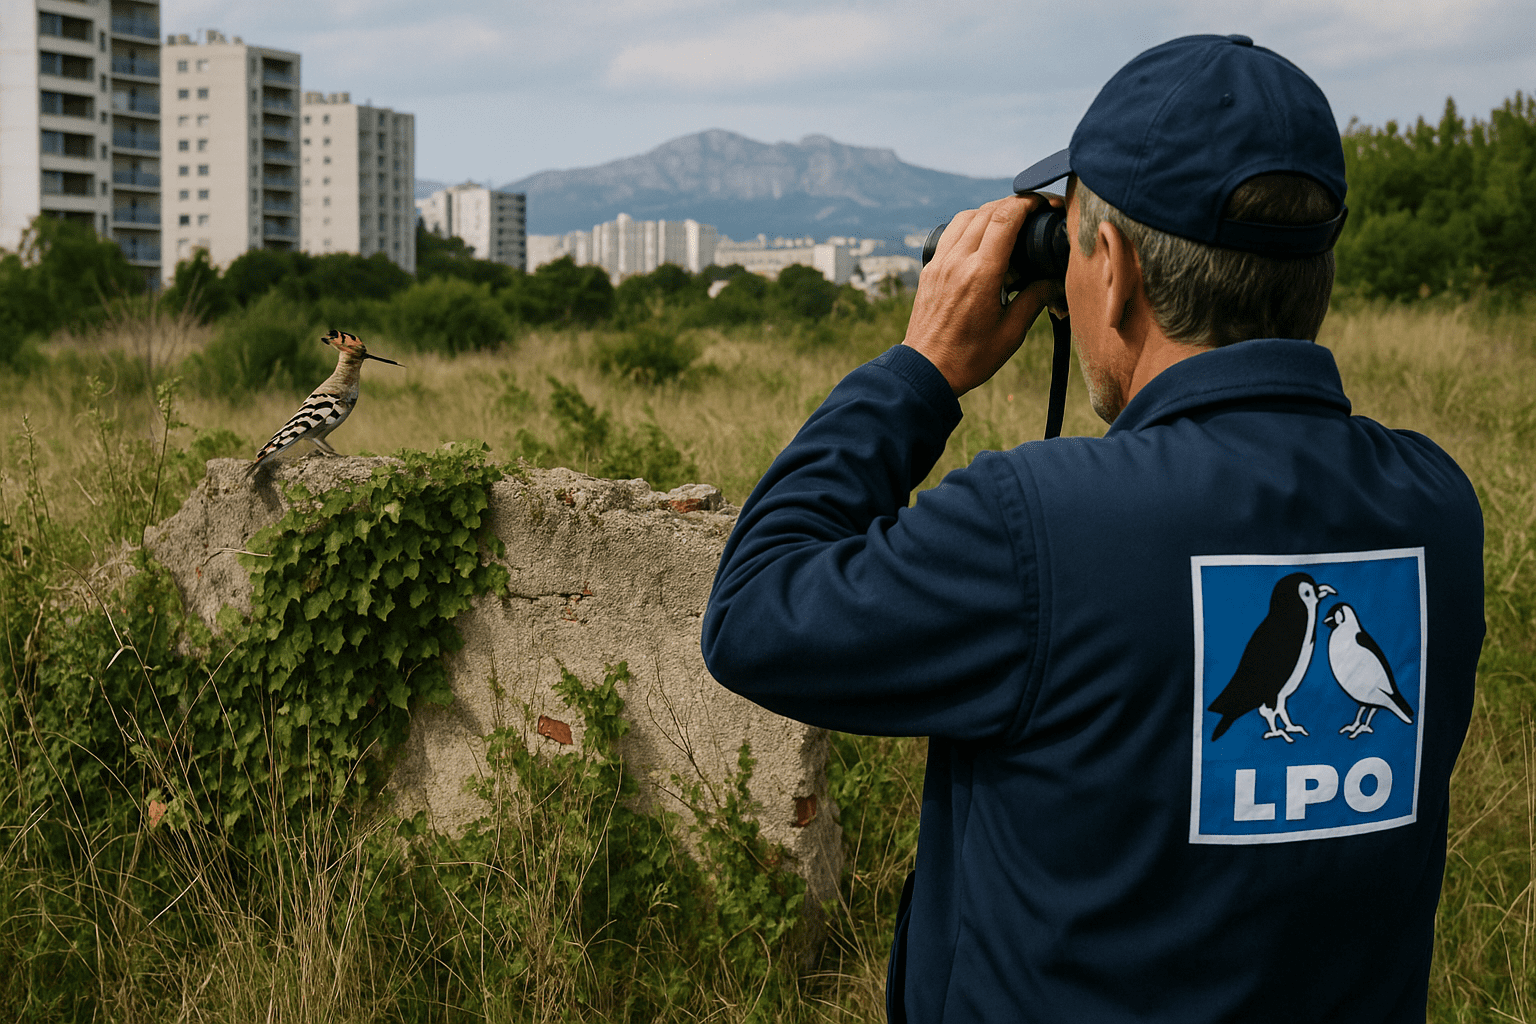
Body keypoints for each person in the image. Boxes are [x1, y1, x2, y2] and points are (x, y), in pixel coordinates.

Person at [700, 33, 1485, 1024]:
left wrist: (919, 371)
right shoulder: (1435, 506)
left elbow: (754, 616)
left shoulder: (1039, 523)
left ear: (1109, 269)